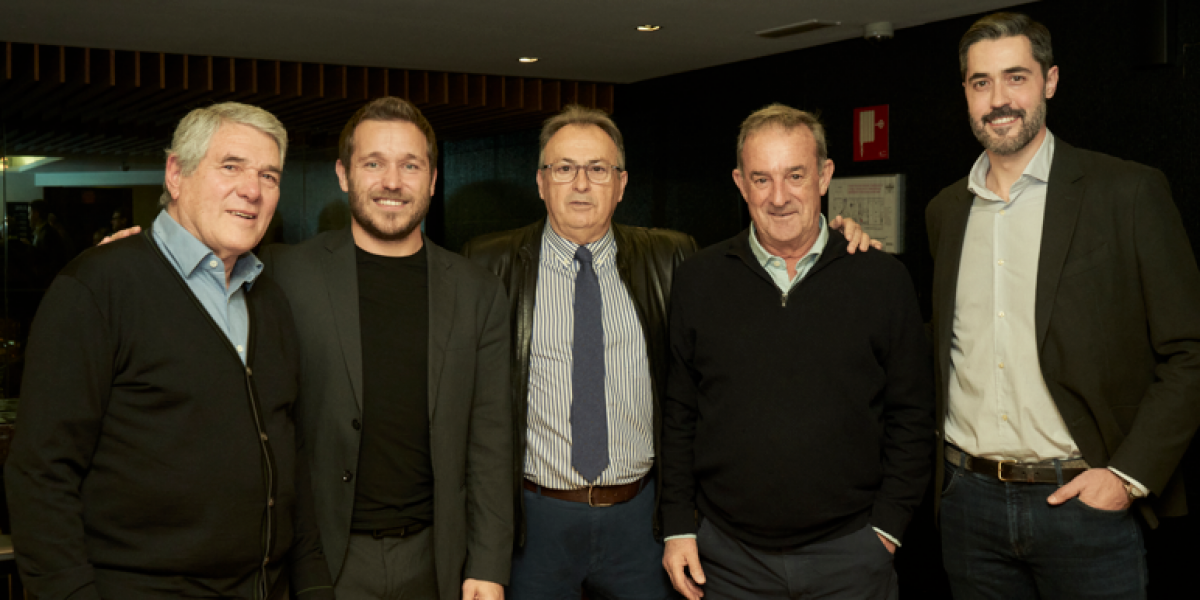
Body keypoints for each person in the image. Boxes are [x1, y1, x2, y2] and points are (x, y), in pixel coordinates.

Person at [463, 105, 879, 599]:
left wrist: (837, 239)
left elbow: (700, 382)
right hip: (536, 519)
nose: (580, 185)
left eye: (598, 169)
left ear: (621, 185)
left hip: (642, 519)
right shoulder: (488, 264)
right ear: (540, 181)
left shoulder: (673, 258)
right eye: (564, 169)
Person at [5, 102, 333, 599]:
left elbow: (290, 458)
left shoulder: (268, 298)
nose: (253, 190)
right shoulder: (98, 287)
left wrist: (313, 587)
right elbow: (41, 473)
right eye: (232, 167)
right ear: (176, 174)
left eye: (269, 175)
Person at [926, 12, 1200, 600]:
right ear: (966, 94)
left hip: (1084, 504)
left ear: (1050, 81)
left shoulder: (1127, 193)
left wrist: (1126, 478)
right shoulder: (946, 212)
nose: (999, 100)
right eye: (981, 83)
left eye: (1015, 78)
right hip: (968, 504)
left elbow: (1190, 352)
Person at [659, 104, 933, 600]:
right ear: (740, 184)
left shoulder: (881, 280)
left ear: (824, 176)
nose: (779, 197)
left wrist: (887, 530)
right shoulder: (698, 279)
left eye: (795, 175)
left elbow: (912, 414)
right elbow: (680, 411)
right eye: (762, 179)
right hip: (728, 560)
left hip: (851, 555)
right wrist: (678, 525)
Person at [259, 97, 512, 600]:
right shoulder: (283, 275)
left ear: (433, 180)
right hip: (320, 561)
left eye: (410, 165)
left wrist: (488, 565)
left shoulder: (477, 291)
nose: (392, 181)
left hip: (436, 559)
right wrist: (140, 259)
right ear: (343, 174)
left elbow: (490, 440)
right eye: (373, 163)